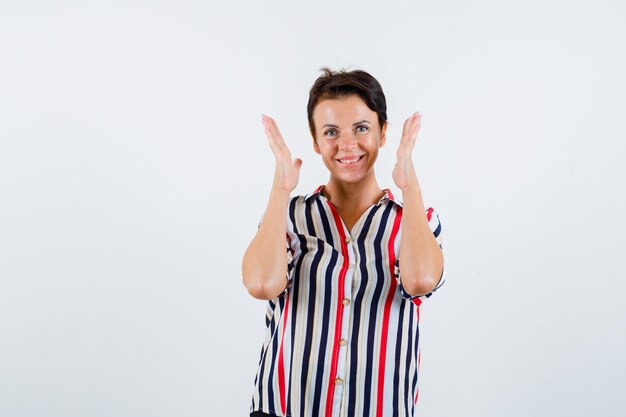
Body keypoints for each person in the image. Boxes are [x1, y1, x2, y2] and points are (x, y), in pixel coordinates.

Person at [242, 68, 445, 417]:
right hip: (287, 409)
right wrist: (280, 189)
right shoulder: (290, 215)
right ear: (316, 140)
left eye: (361, 128)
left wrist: (410, 187)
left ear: (383, 132)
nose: (347, 144)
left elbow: (421, 282)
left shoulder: (413, 219)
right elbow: (261, 284)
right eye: (331, 132)